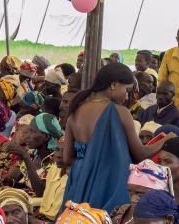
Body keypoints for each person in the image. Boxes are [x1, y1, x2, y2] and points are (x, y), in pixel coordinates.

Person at [64, 62, 167, 212]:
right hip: (106, 182)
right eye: (127, 90)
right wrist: (166, 139)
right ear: (113, 84)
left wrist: (87, 164)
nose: (127, 96)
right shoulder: (119, 112)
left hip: (79, 180)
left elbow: (67, 158)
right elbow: (141, 154)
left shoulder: (75, 111)